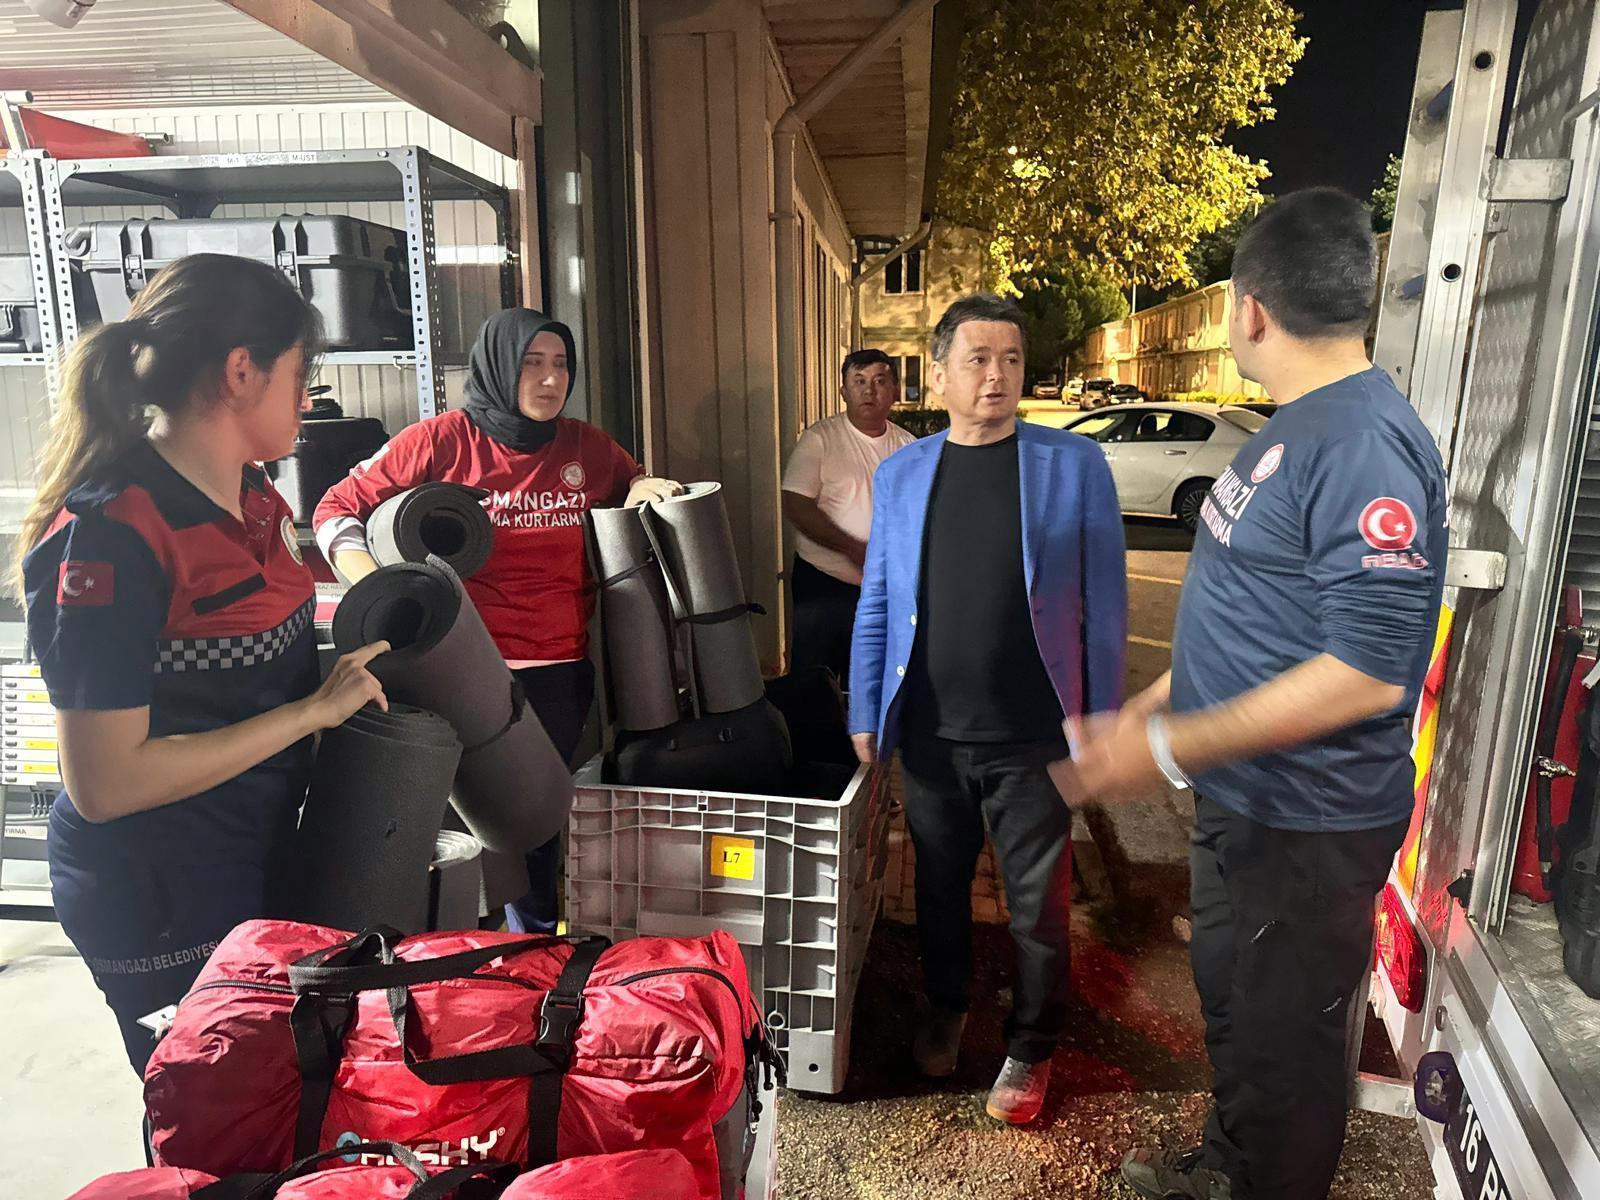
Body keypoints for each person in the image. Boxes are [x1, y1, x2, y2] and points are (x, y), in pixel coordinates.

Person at [1066, 191, 1448, 1200]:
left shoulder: (1363, 443)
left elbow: (1366, 670)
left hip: (1306, 826)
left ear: (1248, 309)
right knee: (1239, 1010)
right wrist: (1153, 706)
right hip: (1247, 802)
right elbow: (1254, 614)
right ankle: (1230, 1170)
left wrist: (1163, 750)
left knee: (1288, 1052)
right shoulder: (1304, 425)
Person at [13, 255, 390, 1074]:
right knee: (211, 1104)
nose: (309, 397)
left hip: (248, 849)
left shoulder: (255, 495)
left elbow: (252, 662)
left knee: (283, 1092)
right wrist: (308, 714)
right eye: (301, 372)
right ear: (240, 371)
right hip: (156, 884)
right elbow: (105, 784)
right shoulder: (112, 536)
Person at [849, 293, 1127, 1125]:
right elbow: (878, 598)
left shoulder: (1071, 465)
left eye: (1010, 359)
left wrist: (1102, 718)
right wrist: (866, 705)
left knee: (1038, 906)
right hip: (933, 732)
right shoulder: (902, 474)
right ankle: (946, 1006)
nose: (996, 375)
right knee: (938, 887)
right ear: (938, 376)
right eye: (977, 359)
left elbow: (1105, 603)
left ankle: (1033, 1045)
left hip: (1036, 735)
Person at [314, 307, 681, 934]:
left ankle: (528, 955)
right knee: (457, 831)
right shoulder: (439, 441)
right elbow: (335, 508)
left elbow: (635, 487)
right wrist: (375, 584)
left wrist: (644, 489)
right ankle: (458, 949)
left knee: (532, 825)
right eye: (532, 363)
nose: (550, 380)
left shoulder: (588, 448)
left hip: (557, 671)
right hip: (456, 671)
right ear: (499, 366)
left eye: (561, 364)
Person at [781, 349, 916, 686]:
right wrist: (852, 547)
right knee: (814, 683)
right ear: (843, 391)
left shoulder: (909, 448)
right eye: (859, 381)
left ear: (894, 391)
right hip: (823, 585)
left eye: (879, 381)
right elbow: (796, 505)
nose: (869, 390)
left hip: (882, 588)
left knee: (871, 680)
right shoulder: (819, 440)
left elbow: (915, 515)